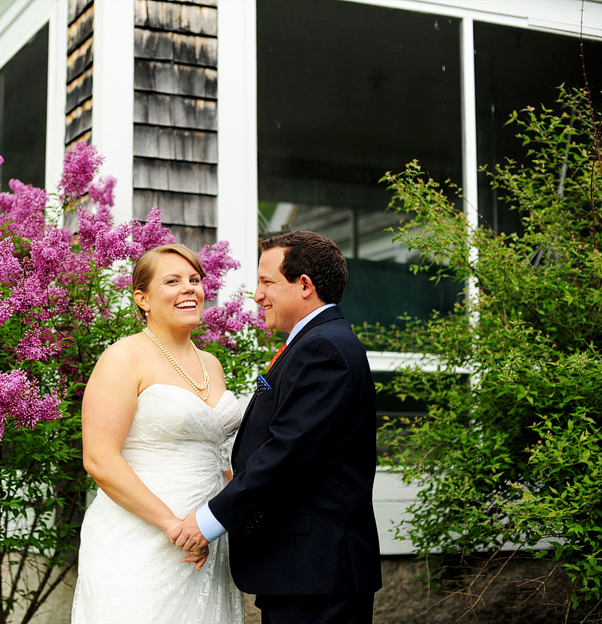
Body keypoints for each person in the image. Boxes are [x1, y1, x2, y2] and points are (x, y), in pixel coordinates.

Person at [171, 230, 383, 624]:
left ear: (304, 285)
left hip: (317, 574)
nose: (256, 295)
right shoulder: (314, 343)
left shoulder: (325, 349)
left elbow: (286, 453)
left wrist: (207, 522)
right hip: (302, 572)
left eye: (267, 282)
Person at [71, 244, 245, 623]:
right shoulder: (123, 357)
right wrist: (172, 525)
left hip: (208, 536)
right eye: (172, 281)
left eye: (195, 280)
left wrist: (222, 519)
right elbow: (99, 459)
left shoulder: (211, 364)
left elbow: (222, 455)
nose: (189, 289)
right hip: (142, 539)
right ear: (143, 299)